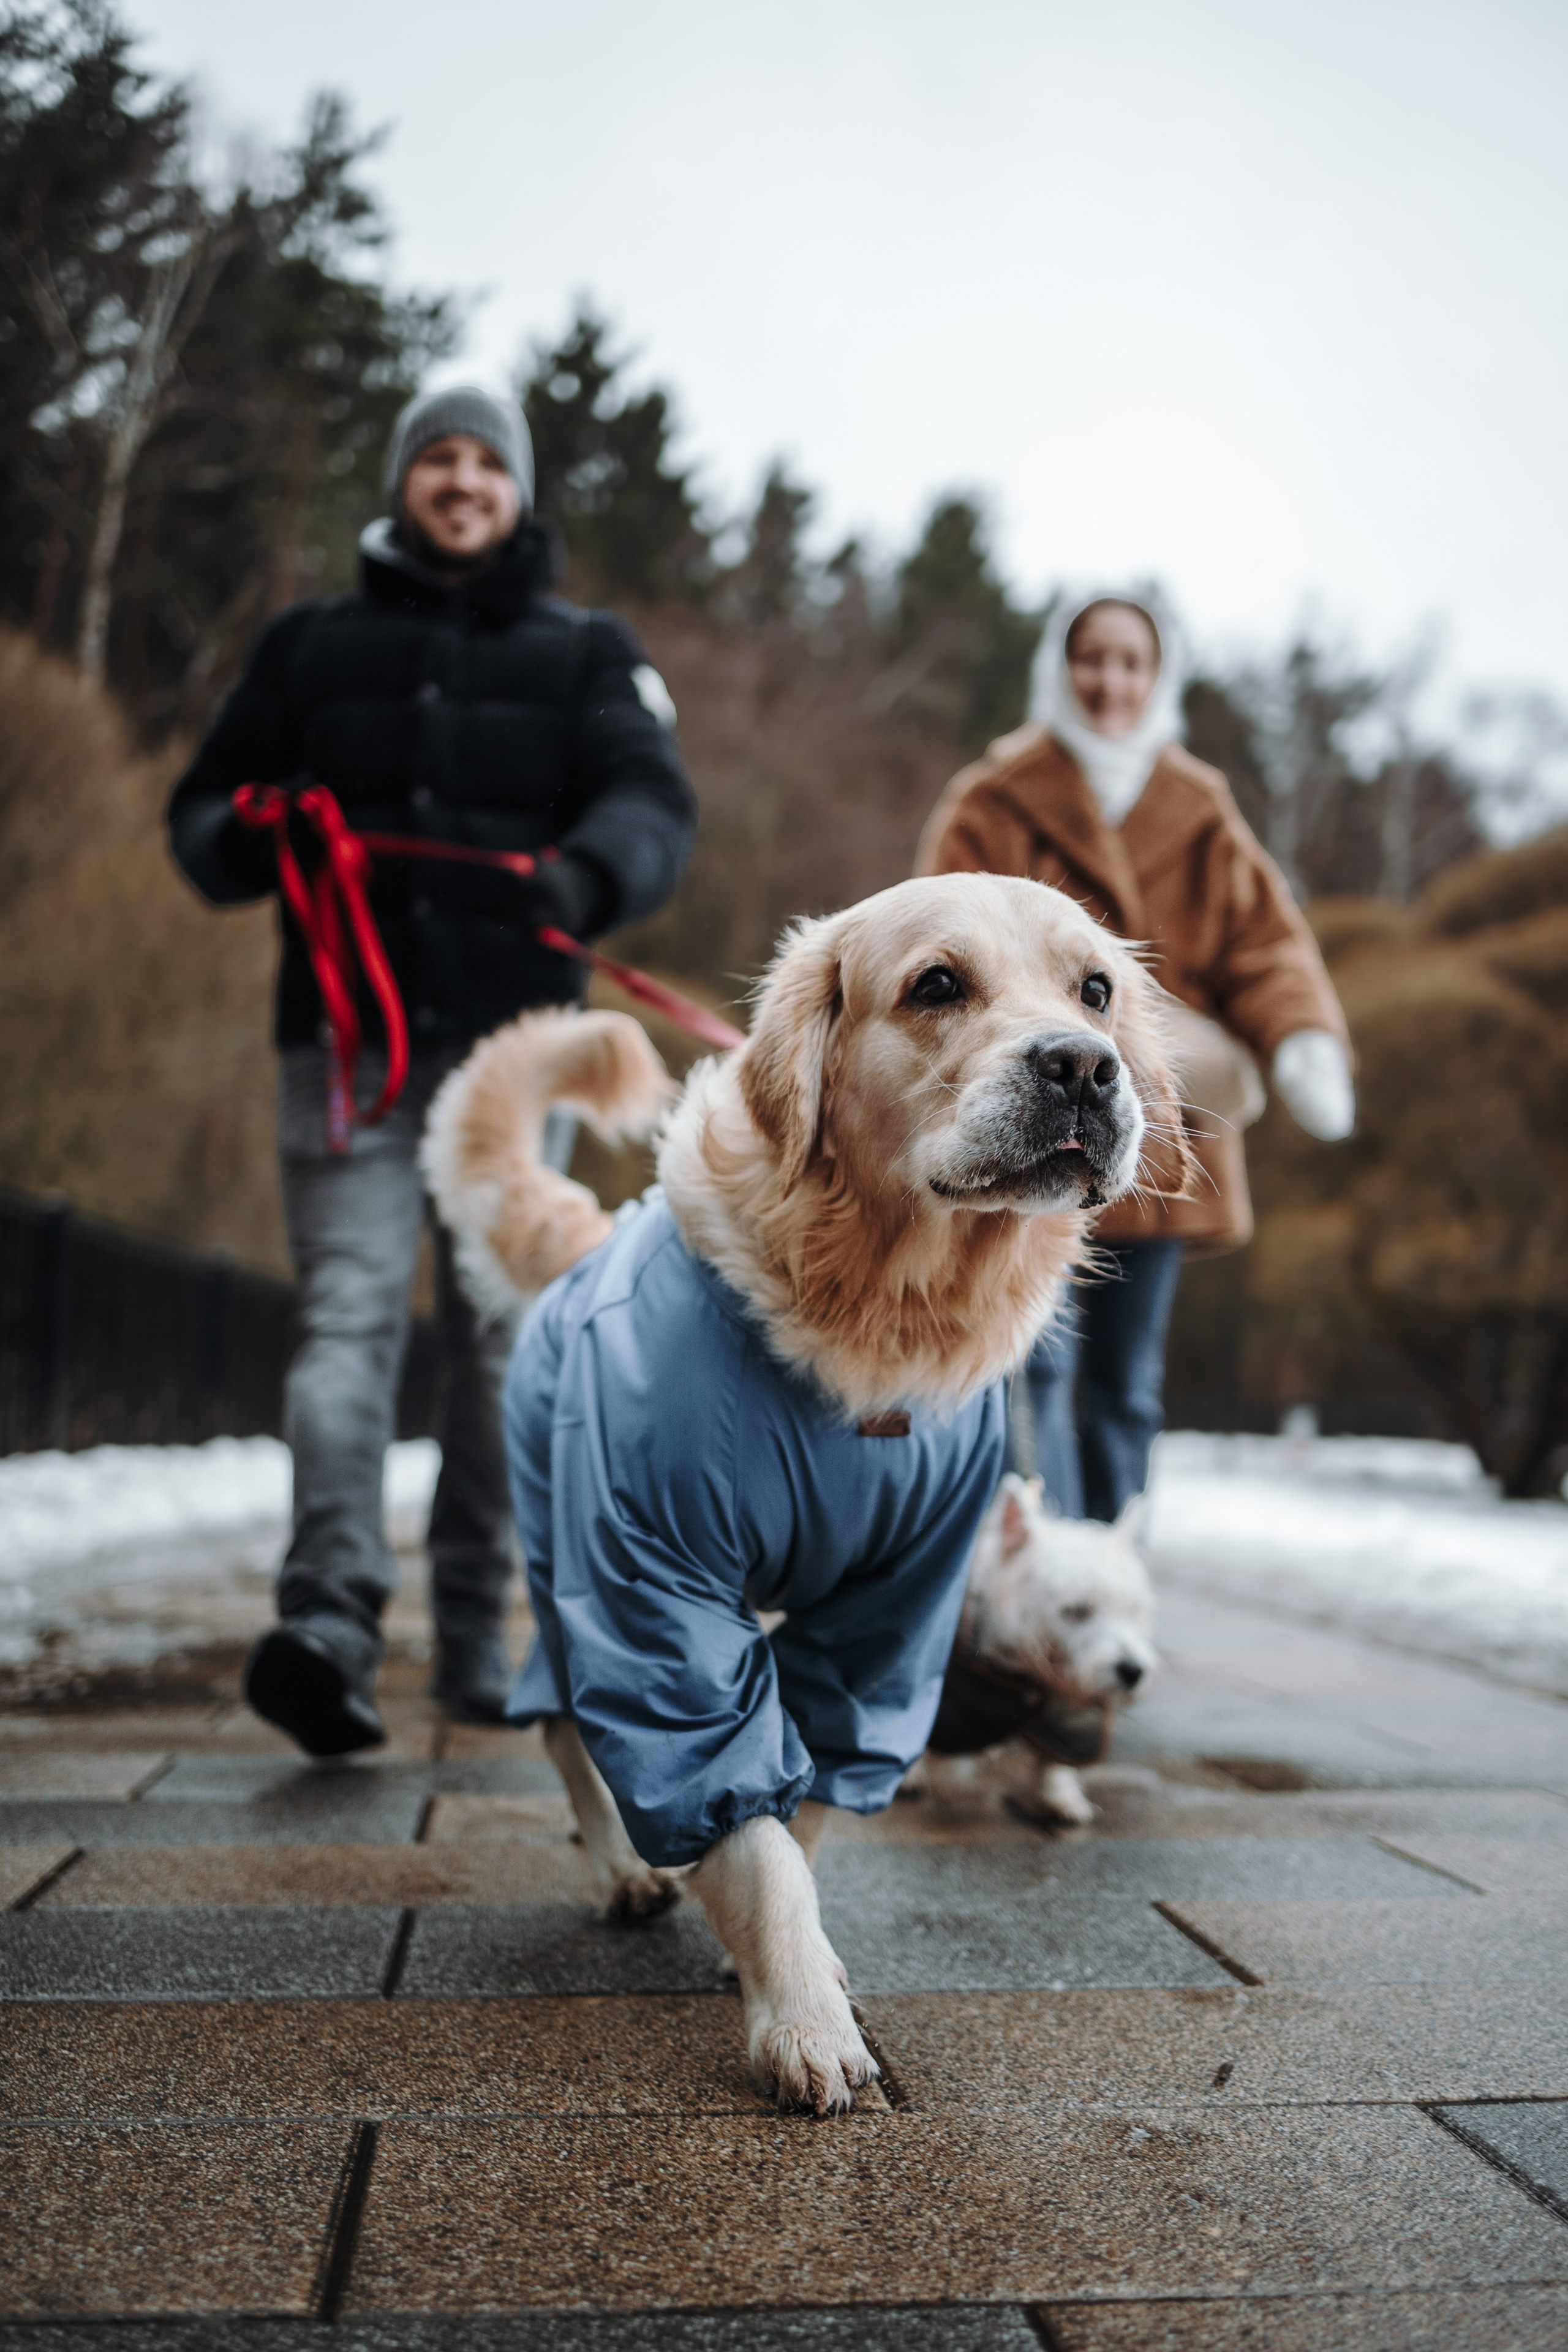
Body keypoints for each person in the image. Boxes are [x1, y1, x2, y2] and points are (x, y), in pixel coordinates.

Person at [167, 385, 697, 1754]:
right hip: (343, 1050)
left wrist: (585, 875)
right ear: (403, 479)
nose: (461, 481)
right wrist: (249, 836)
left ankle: (475, 1629)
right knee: (344, 1321)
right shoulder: (307, 645)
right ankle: (328, 1622)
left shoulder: (589, 651)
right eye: (437, 459)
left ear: (518, 490)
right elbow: (204, 809)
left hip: (515, 1066)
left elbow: (652, 802)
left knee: (499, 1340)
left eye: (485, 462)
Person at [915, 590, 1352, 1521]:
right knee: (1029, 1358)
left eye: (1130, 663)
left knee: (1125, 1378)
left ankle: (1112, 1564)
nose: (1109, 681)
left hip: (1153, 1123)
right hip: (1024, 1116)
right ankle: (1038, 1568)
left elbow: (1265, 944)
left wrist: (1301, 1036)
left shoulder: (1201, 808)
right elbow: (933, 936)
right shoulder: (993, 798)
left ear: (1158, 678)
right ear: (1059, 668)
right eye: (1091, 659)